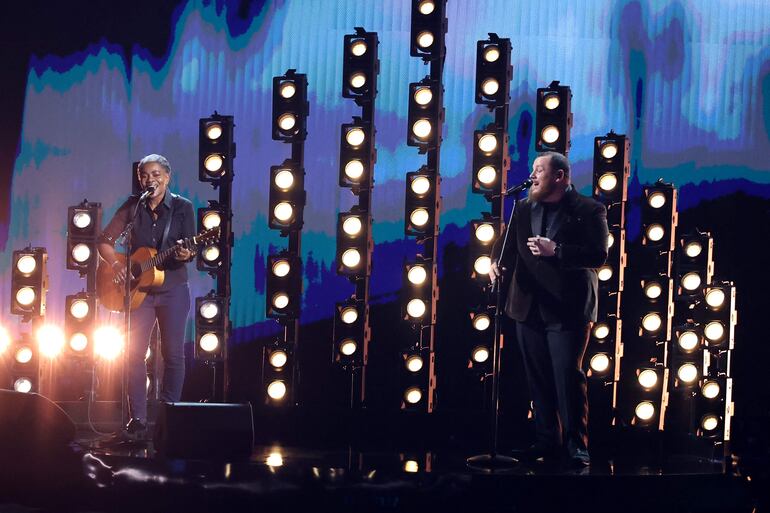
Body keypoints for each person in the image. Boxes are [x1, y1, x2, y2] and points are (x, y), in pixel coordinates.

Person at [490, 151, 608, 467]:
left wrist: (556, 250)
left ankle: (576, 446)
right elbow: (505, 245)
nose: (533, 174)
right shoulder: (524, 206)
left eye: (539, 169)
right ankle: (546, 442)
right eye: (532, 169)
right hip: (528, 306)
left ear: (559, 176)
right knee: (538, 379)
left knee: (568, 378)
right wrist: (494, 264)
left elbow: (598, 255)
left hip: (568, 308)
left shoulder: (589, 209)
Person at [98, 154, 196, 438]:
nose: (149, 179)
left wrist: (186, 252)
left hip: (173, 290)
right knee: (132, 355)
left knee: (173, 355)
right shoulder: (133, 205)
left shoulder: (182, 208)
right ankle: (137, 419)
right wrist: (118, 265)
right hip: (139, 294)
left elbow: (190, 250)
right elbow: (104, 241)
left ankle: (169, 415)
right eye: (144, 175)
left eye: (155, 174)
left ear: (167, 177)